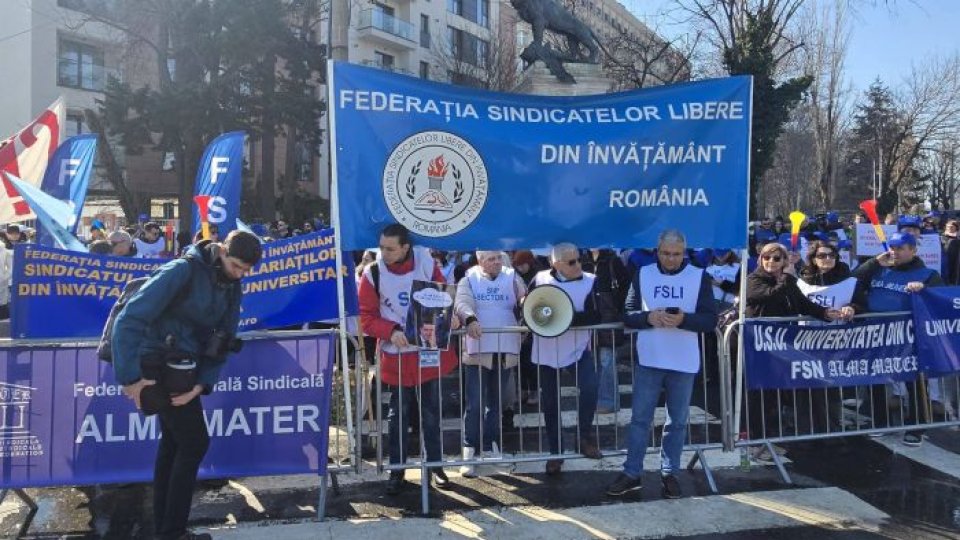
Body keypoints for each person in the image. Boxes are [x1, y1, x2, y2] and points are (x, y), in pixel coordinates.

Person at [112, 230, 262, 540]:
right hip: (156, 364)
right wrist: (131, 379)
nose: (239, 275)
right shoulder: (181, 270)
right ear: (221, 251)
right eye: (236, 266)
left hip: (184, 371)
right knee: (194, 443)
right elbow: (129, 319)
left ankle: (167, 531)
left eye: (246, 270)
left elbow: (224, 338)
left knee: (174, 443)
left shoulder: (232, 284)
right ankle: (172, 532)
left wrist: (202, 384)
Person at [606, 230, 718, 499]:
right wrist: (648, 318)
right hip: (650, 358)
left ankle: (670, 473)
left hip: (683, 360)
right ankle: (632, 472)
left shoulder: (698, 276)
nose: (671, 259)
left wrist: (684, 320)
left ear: (684, 253)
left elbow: (709, 319)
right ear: (657, 251)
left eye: (676, 254)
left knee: (676, 422)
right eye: (666, 253)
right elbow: (628, 313)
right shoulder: (643, 273)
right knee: (640, 420)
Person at [357, 224, 458, 495]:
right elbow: (366, 317)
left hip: (427, 353)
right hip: (397, 356)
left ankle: (435, 467)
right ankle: (397, 471)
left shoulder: (425, 261)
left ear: (405, 248)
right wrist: (390, 330)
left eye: (390, 249)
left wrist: (451, 316)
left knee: (431, 414)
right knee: (398, 416)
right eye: (381, 247)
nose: (384, 253)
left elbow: (442, 297)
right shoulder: (373, 273)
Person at [854, 232, 945, 447]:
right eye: (892, 247)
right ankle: (880, 421)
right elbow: (851, 281)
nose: (894, 252)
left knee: (914, 381)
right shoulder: (879, 269)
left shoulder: (928, 274)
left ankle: (916, 426)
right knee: (877, 379)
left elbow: (942, 299)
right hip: (877, 334)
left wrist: (924, 290)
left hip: (910, 337)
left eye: (900, 248)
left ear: (913, 250)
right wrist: (873, 262)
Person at [529, 242, 602, 475]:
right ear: (556, 264)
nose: (578, 265)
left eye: (579, 259)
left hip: (578, 349)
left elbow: (598, 314)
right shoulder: (540, 279)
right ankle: (556, 451)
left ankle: (584, 436)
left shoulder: (590, 281)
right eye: (571, 262)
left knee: (590, 388)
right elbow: (528, 310)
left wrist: (566, 319)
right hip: (546, 350)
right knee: (550, 403)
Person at [454, 250, 527, 477]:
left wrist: (526, 304)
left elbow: (525, 297)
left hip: (505, 347)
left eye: (498, 258)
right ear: (480, 261)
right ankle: (469, 450)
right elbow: (462, 303)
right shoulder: (469, 279)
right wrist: (470, 318)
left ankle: (490, 445)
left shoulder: (512, 276)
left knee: (496, 403)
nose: (496, 262)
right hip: (478, 349)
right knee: (475, 403)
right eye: (491, 259)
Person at [581, 248, 630, 414]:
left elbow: (625, 288)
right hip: (592, 318)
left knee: (606, 360)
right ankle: (602, 399)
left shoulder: (613, 261)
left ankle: (607, 400)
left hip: (609, 318)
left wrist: (619, 312)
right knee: (594, 361)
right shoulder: (582, 261)